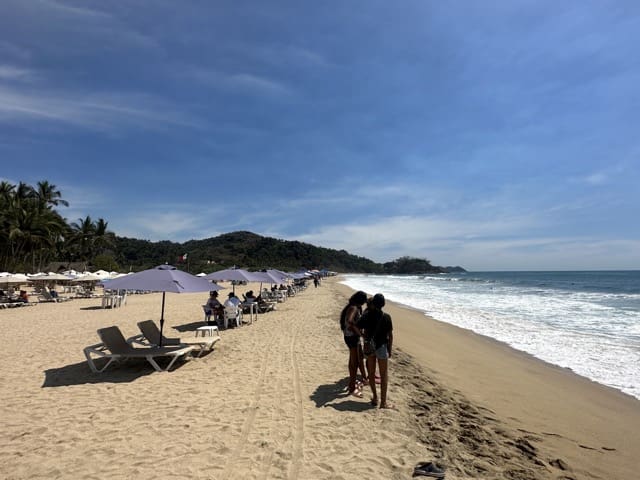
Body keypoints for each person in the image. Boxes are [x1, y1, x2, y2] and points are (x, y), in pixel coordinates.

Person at [358, 293, 393, 409]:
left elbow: (357, 326)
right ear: (383, 304)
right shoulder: (386, 316)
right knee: (384, 376)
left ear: (373, 303)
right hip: (382, 347)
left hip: (369, 347)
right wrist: (390, 350)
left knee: (371, 374)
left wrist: (363, 336)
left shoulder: (367, 315)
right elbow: (390, 335)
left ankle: (375, 398)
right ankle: (383, 403)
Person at [340, 290, 368, 397]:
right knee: (354, 363)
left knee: (353, 360)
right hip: (352, 337)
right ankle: (352, 386)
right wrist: (360, 333)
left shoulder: (351, 306)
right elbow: (350, 321)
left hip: (349, 337)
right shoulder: (354, 308)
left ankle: (352, 384)